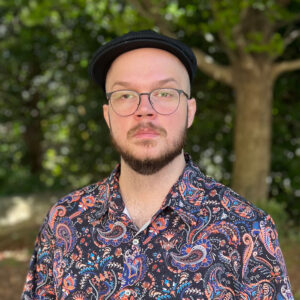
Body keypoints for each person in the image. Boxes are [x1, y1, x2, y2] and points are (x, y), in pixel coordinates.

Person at [22, 30, 294, 300]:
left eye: (164, 93)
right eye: (125, 95)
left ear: (190, 111)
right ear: (107, 116)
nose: (144, 109)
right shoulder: (64, 223)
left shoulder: (246, 229)